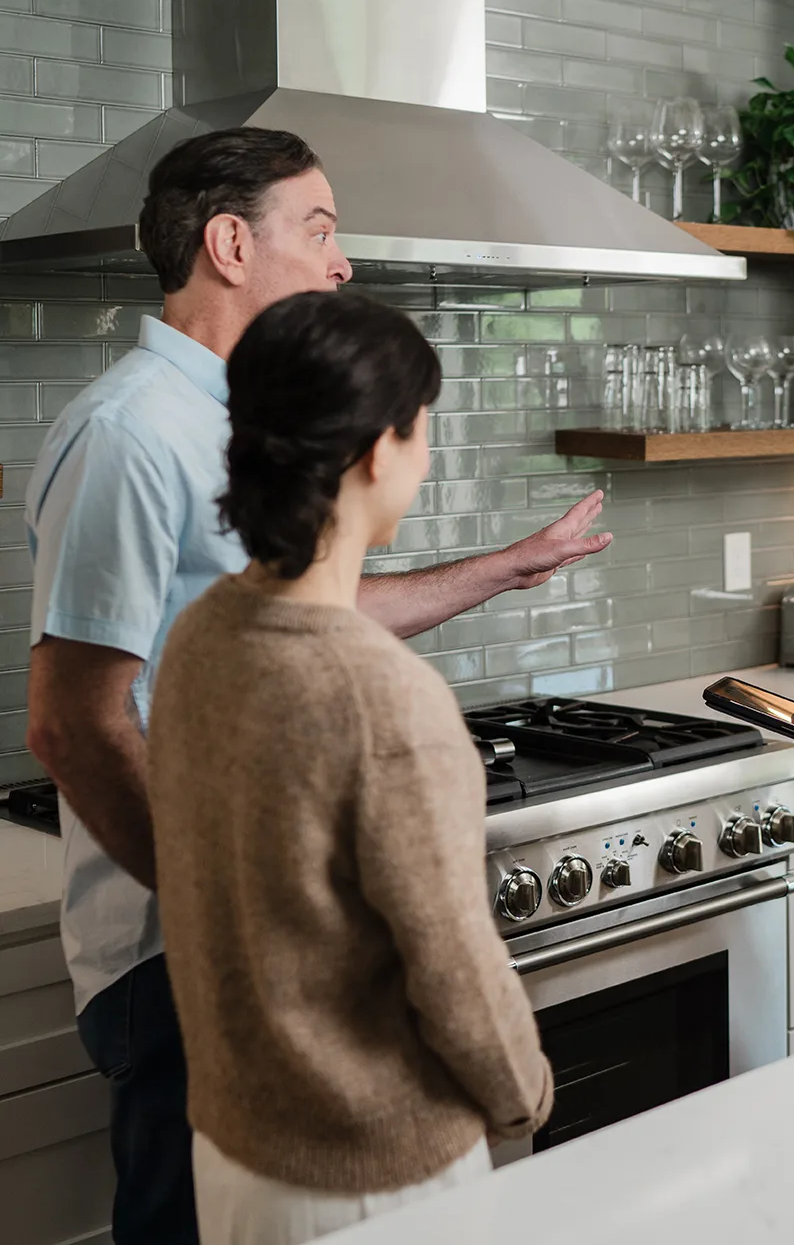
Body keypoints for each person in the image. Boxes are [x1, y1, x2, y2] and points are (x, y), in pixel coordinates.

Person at [23, 128, 607, 1245]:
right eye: (321, 229)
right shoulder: (130, 434)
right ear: (231, 244)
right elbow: (73, 719)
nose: (344, 263)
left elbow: (297, 615)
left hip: (254, 949)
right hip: (177, 953)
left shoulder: (234, 422)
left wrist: (501, 568)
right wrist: (216, 909)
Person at [148, 290, 552, 1245]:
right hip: (378, 1174)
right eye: (422, 429)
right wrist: (527, 1098)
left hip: (235, 1155)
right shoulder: (383, 697)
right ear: (378, 450)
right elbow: (455, 971)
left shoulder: (201, 636)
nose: (425, 456)